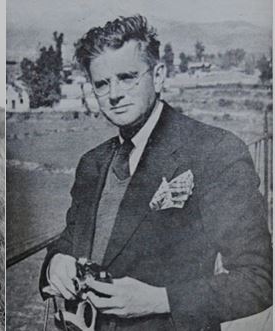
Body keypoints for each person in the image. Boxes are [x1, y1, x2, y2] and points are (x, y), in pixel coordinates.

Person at [39, 15, 272, 330]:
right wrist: (57, 262)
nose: (114, 94)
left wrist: (160, 300)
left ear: (159, 75)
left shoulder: (215, 151)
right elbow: (70, 238)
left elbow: (258, 280)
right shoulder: (92, 163)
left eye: (127, 77)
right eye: (102, 83)